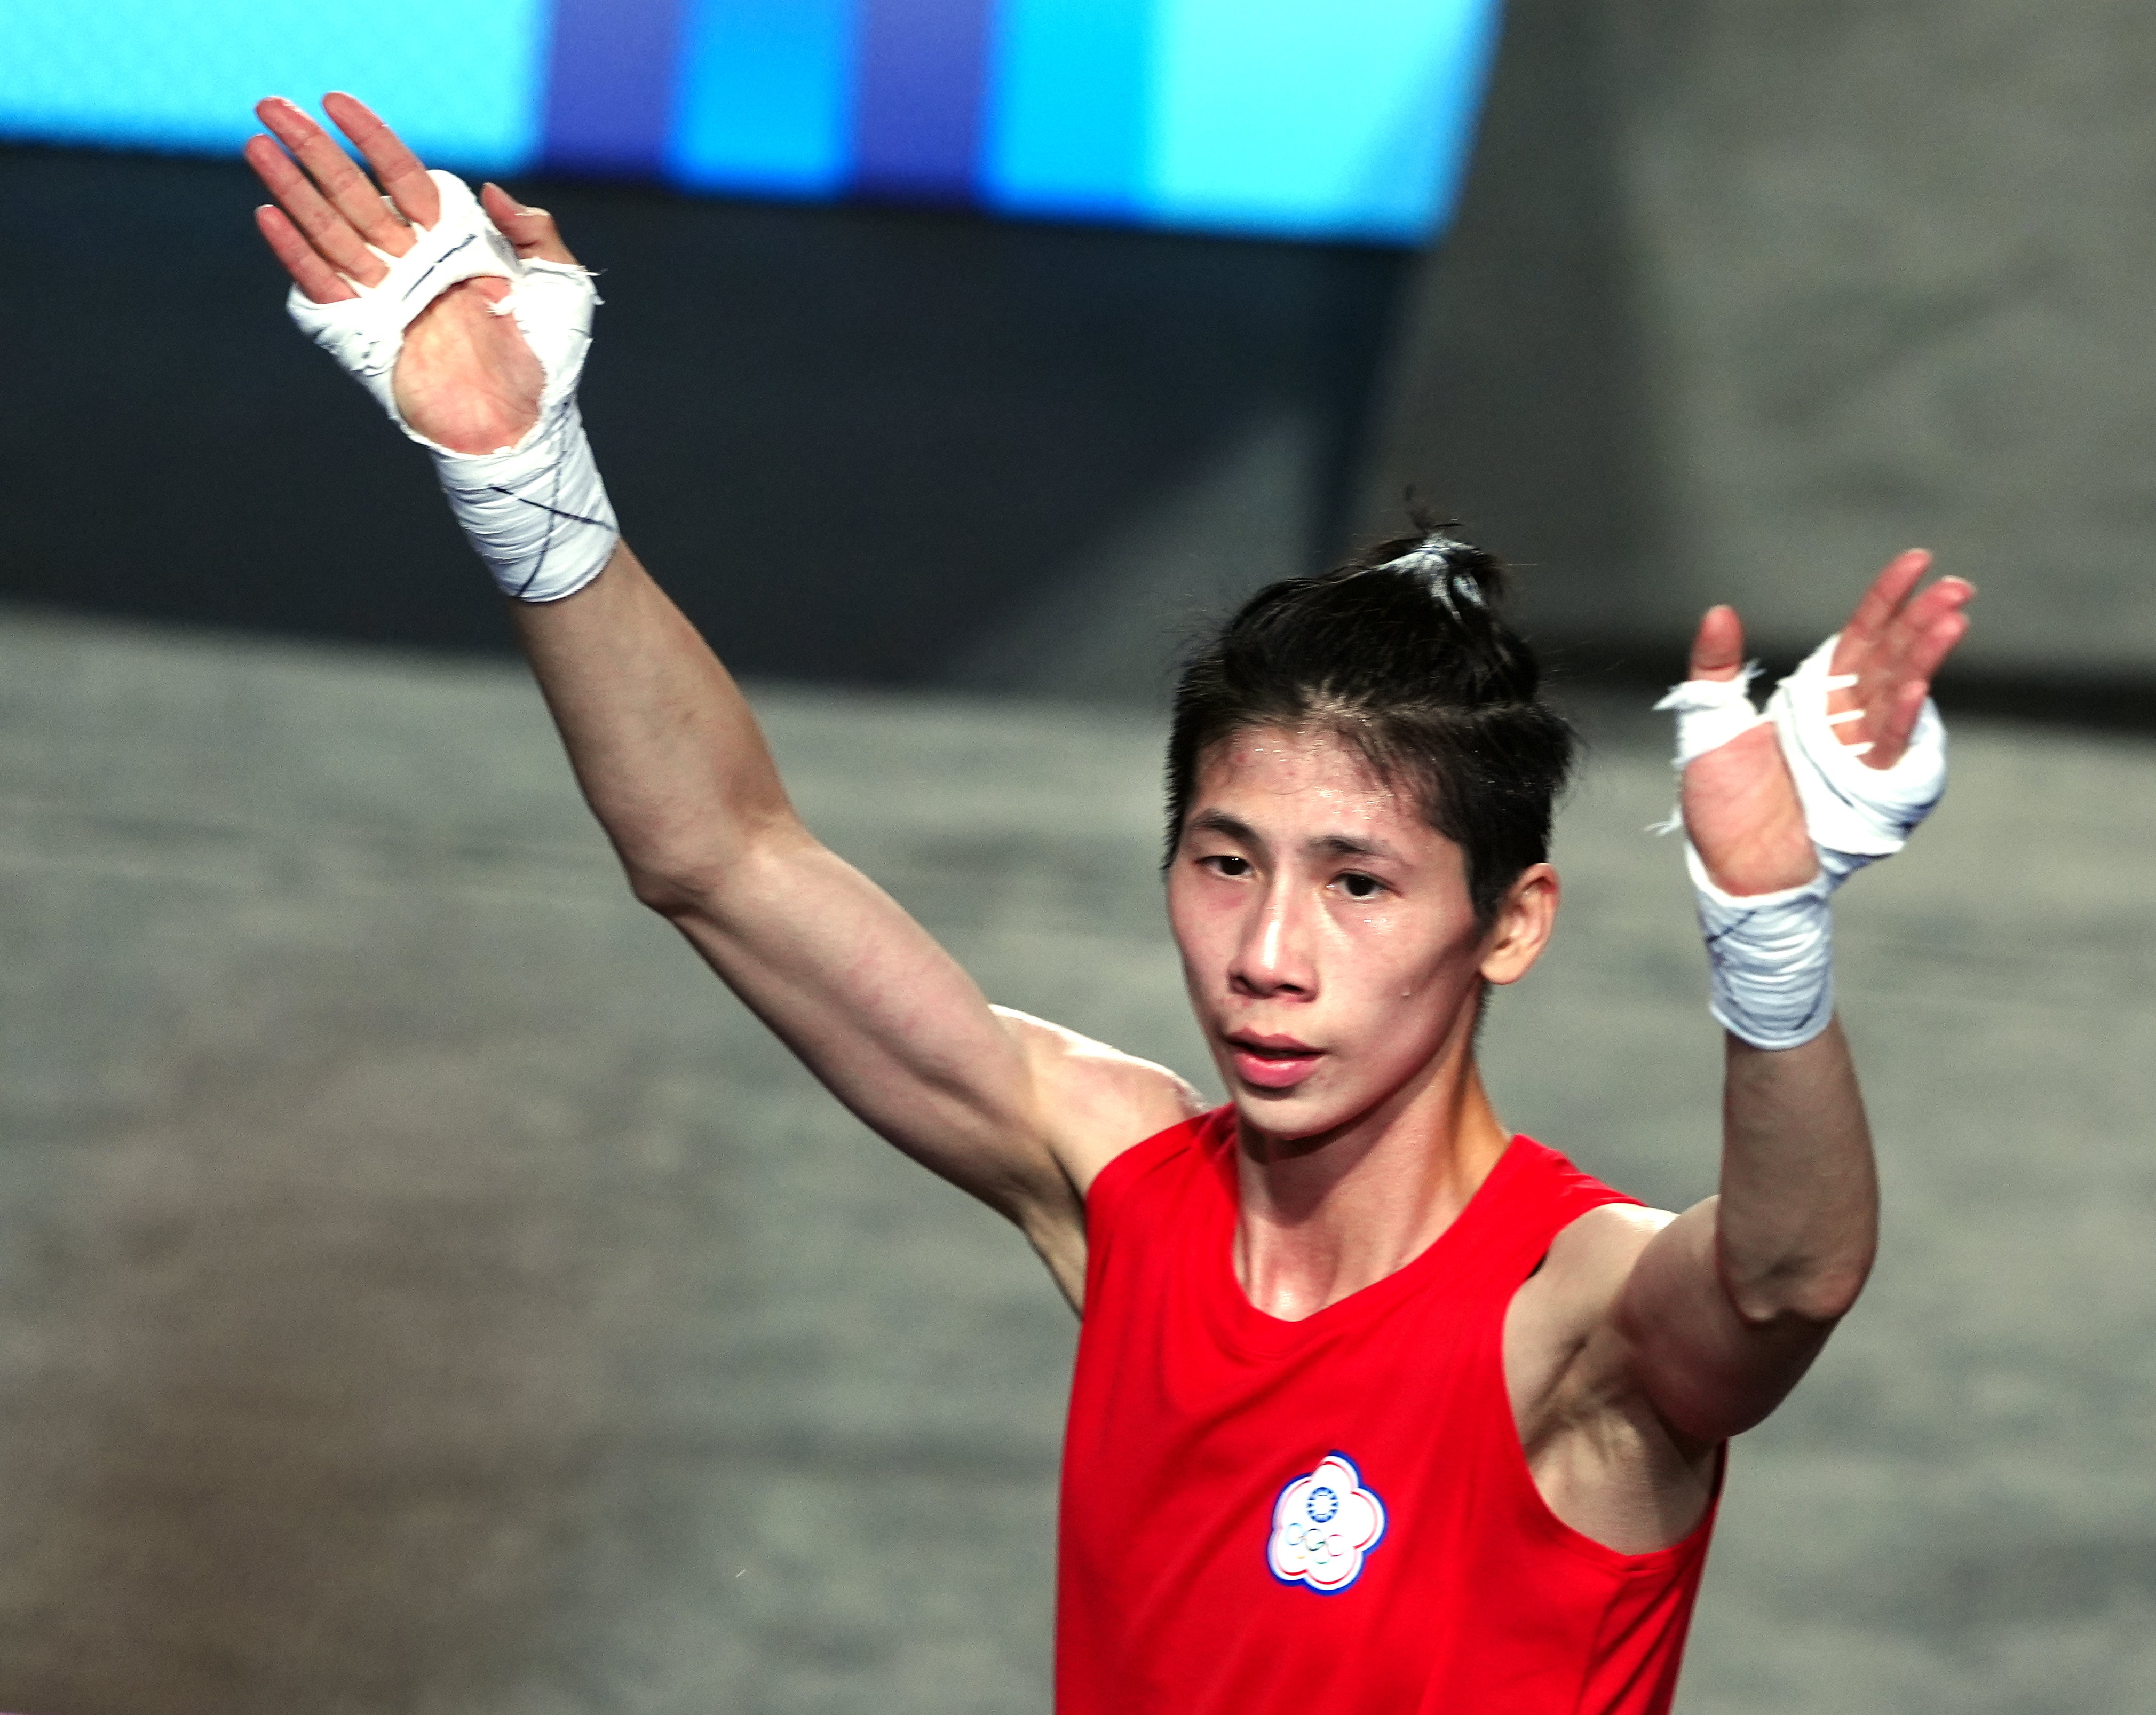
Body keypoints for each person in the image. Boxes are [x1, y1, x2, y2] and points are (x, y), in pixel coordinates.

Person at [245, 92, 1974, 1715]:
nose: (1267, 958)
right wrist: (517, 475)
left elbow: (1784, 1282)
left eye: (1357, 884)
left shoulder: (1571, 1318)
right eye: (1227, 864)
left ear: (1510, 923)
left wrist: (1772, 937)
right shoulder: (1119, 1183)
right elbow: (717, 855)